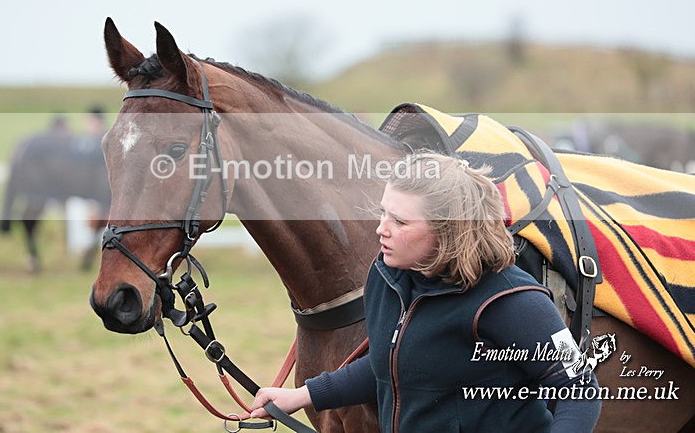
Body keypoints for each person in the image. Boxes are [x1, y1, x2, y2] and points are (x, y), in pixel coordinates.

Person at [248, 152, 601, 432]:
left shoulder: (512, 301)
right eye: (383, 213)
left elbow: (580, 388)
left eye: (400, 221)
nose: (380, 229)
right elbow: (394, 363)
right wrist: (302, 395)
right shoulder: (387, 277)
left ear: (450, 231)